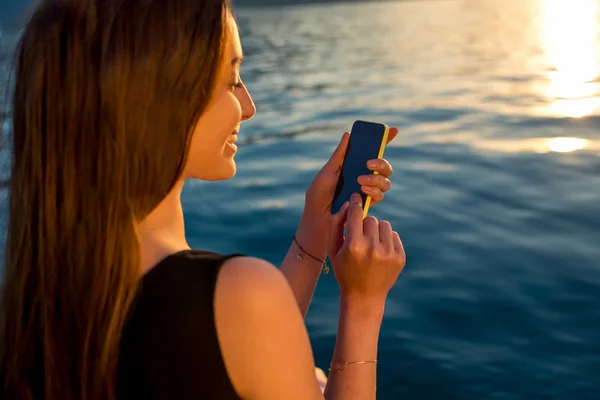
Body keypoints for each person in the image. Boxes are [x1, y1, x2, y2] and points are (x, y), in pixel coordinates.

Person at [0, 0, 407, 399]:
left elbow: (229, 339)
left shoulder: (36, 302)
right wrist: (362, 302)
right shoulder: (240, 295)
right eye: (232, 81)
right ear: (160, 97)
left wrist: (314, 230)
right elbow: (237, 319)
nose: (248, 107)